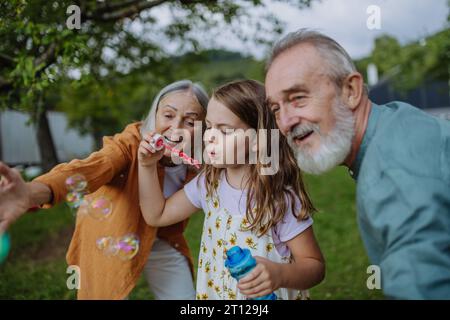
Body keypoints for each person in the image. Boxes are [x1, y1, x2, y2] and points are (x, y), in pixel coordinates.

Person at [264, 28, 450, 299]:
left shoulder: (390, 175)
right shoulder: (395, 121)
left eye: (298, 98)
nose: (285, 122)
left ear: (351, 90)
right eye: (276, 109)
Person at [0, 80, 208, 299]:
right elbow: (88, 169)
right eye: (168, 115)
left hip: (163, 239)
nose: (176, 128)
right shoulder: (130, 144)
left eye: (190, 121)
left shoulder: (200, 162)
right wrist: (31, 192)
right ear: (154, 116)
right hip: (112, 236)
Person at [138, 79, 325, 300]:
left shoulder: (279, 200)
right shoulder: (208, 183)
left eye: (225, 131)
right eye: (209, 127)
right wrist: (147, 166)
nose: (209, 137)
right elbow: (156, 214)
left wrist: (280, 274)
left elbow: (315, 266)